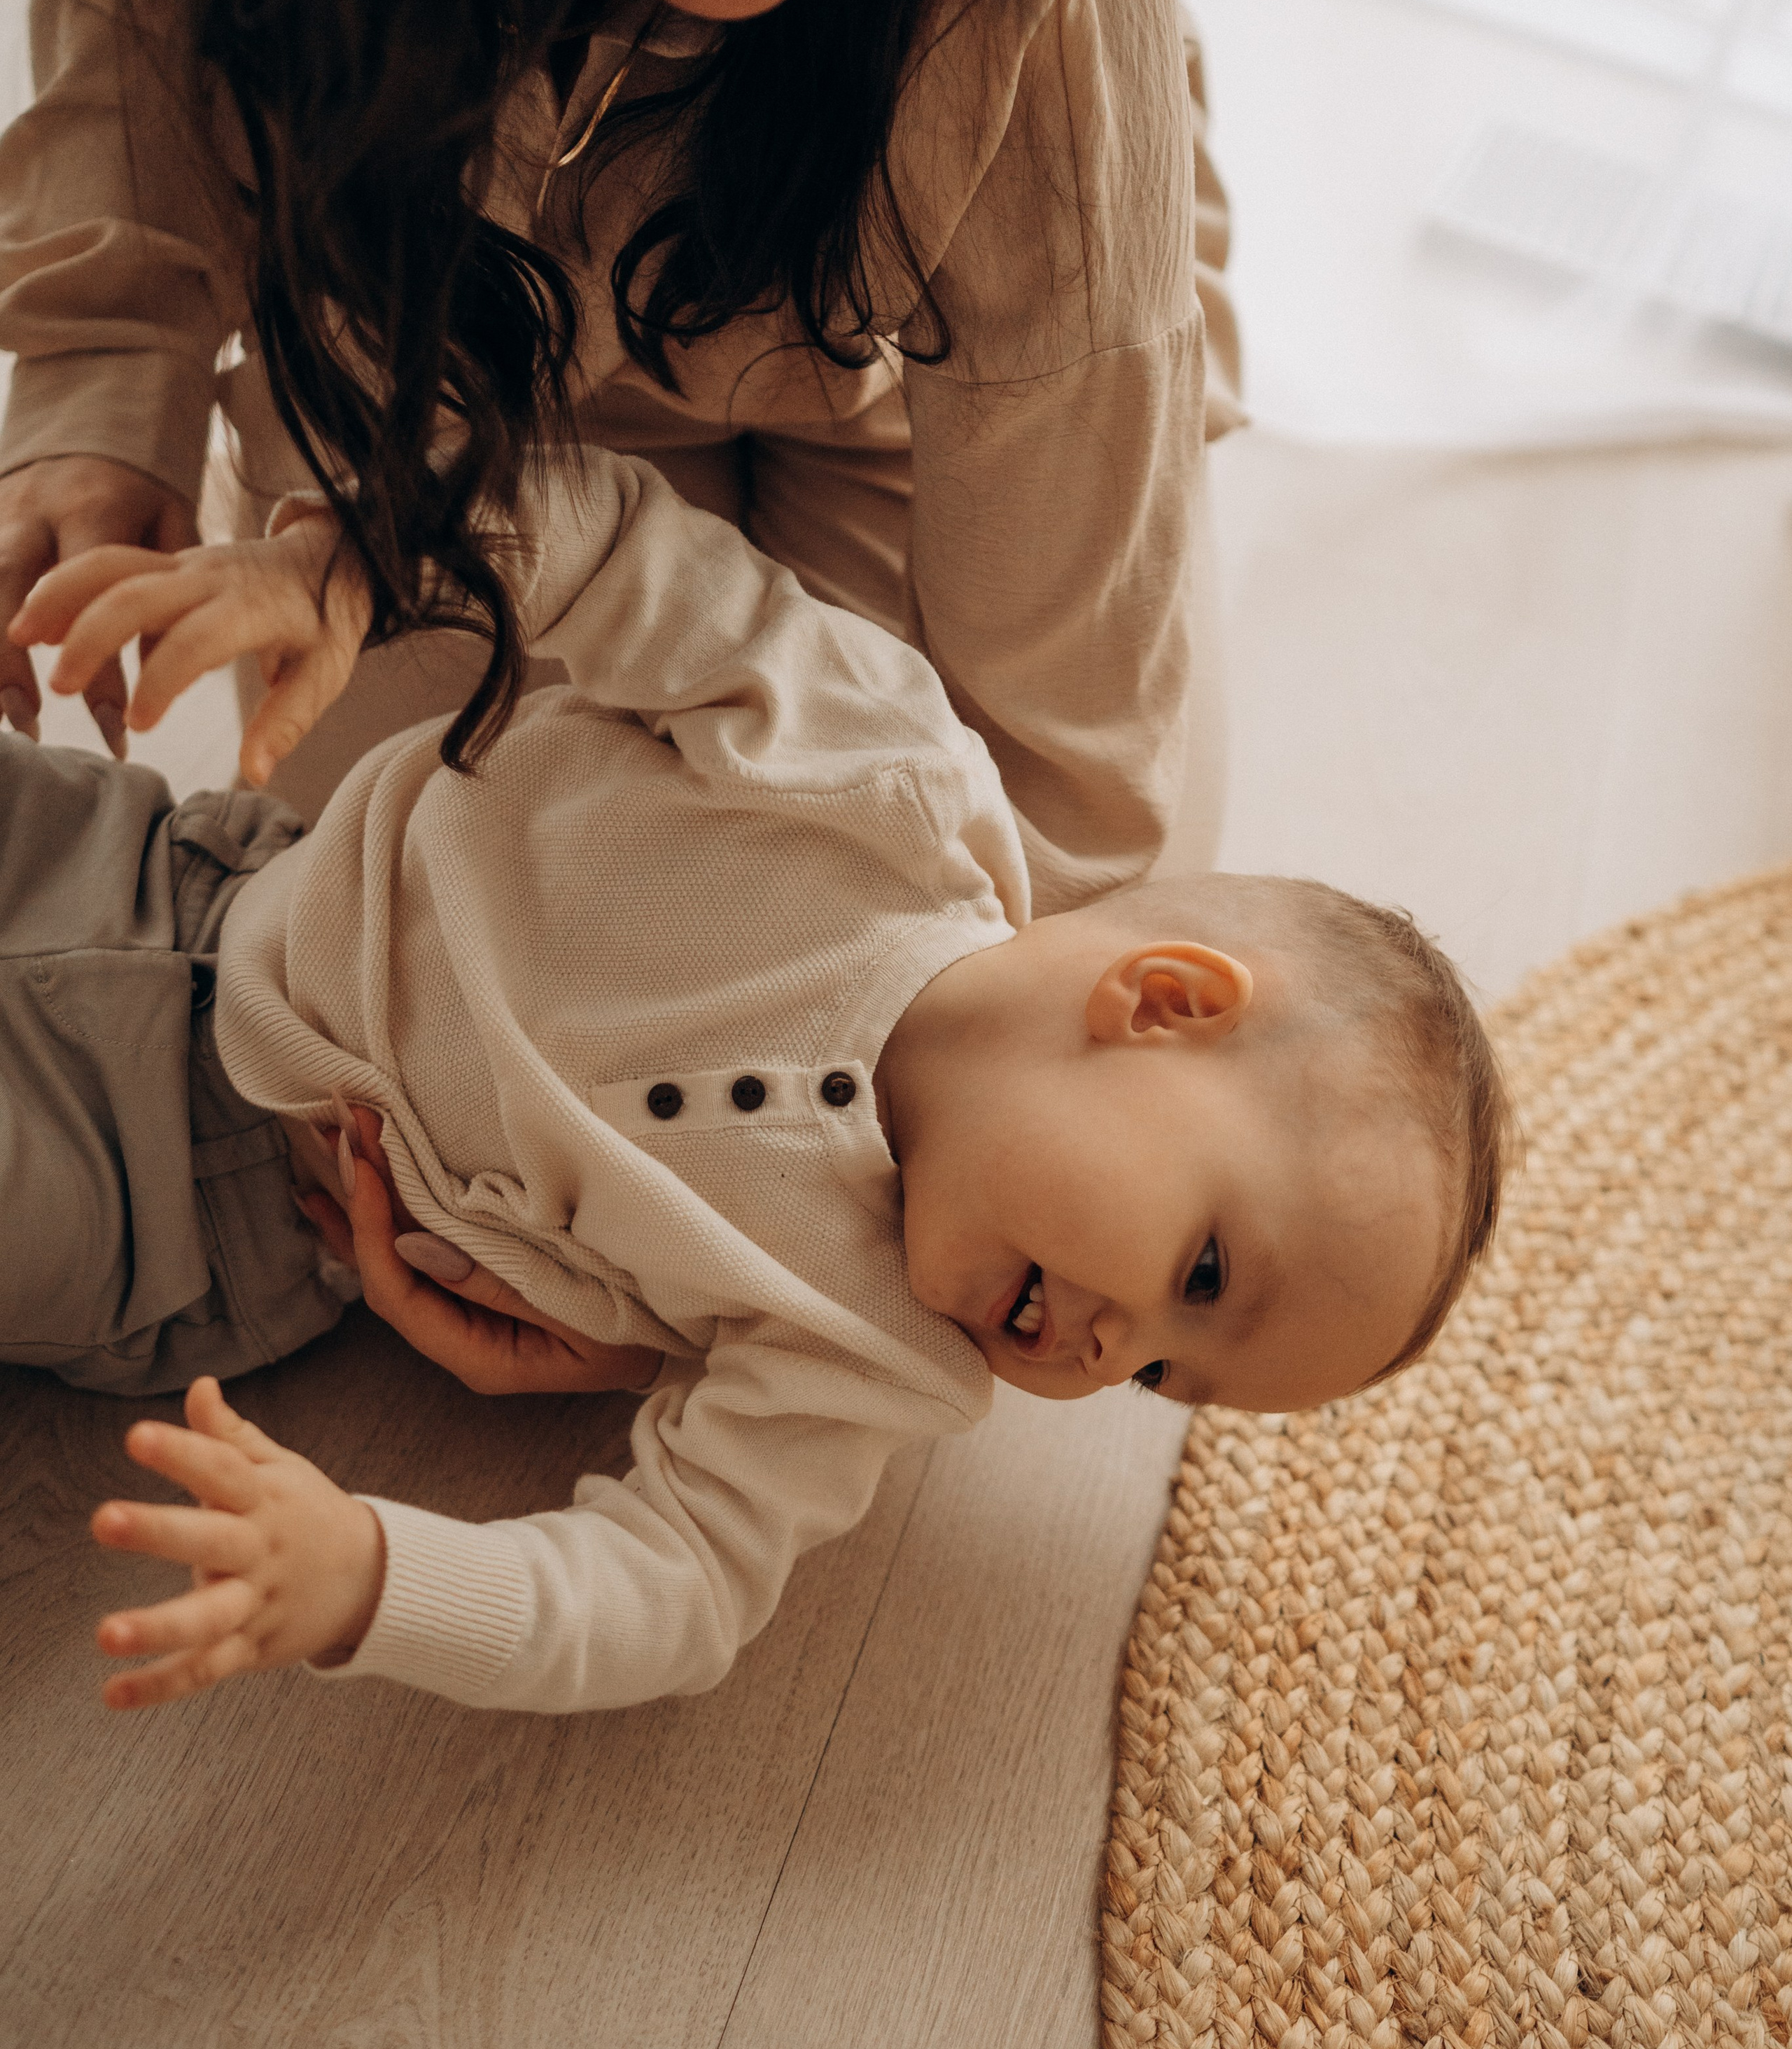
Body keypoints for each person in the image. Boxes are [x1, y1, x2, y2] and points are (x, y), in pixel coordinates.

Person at [4, 452, 1511, 1717]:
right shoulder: (881, 777)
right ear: (1162, 1003)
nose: (1110, 1353)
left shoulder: (864, 1360)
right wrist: (347, 566)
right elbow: (608, 548)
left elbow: (671, 1587)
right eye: (1198, 1269)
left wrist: (372, 1576)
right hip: (182, 862)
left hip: (187, 1208)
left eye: (1164, 1373)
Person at [0, 0, 1241, 903]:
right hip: (428, 310)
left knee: (898, 907)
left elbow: (1074, 787)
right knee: (439, 894)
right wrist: (105, 367)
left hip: (909, 326)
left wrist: (982, 965)